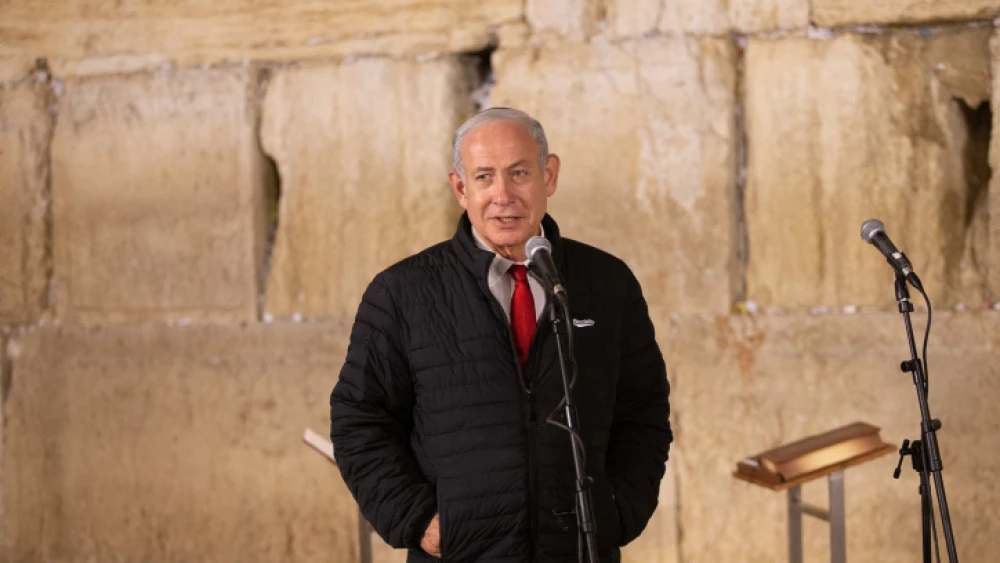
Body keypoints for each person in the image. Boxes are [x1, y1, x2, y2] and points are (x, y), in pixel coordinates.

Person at [330, 107, 672, 562]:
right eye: (485, 177)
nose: (503, 195)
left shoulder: (607, 283)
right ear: (460, 188)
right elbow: (359, 421)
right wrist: (421, 523)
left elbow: (644, 411)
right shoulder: (401, 293)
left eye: (519, 173)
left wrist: (619, 512)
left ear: (548, 176)